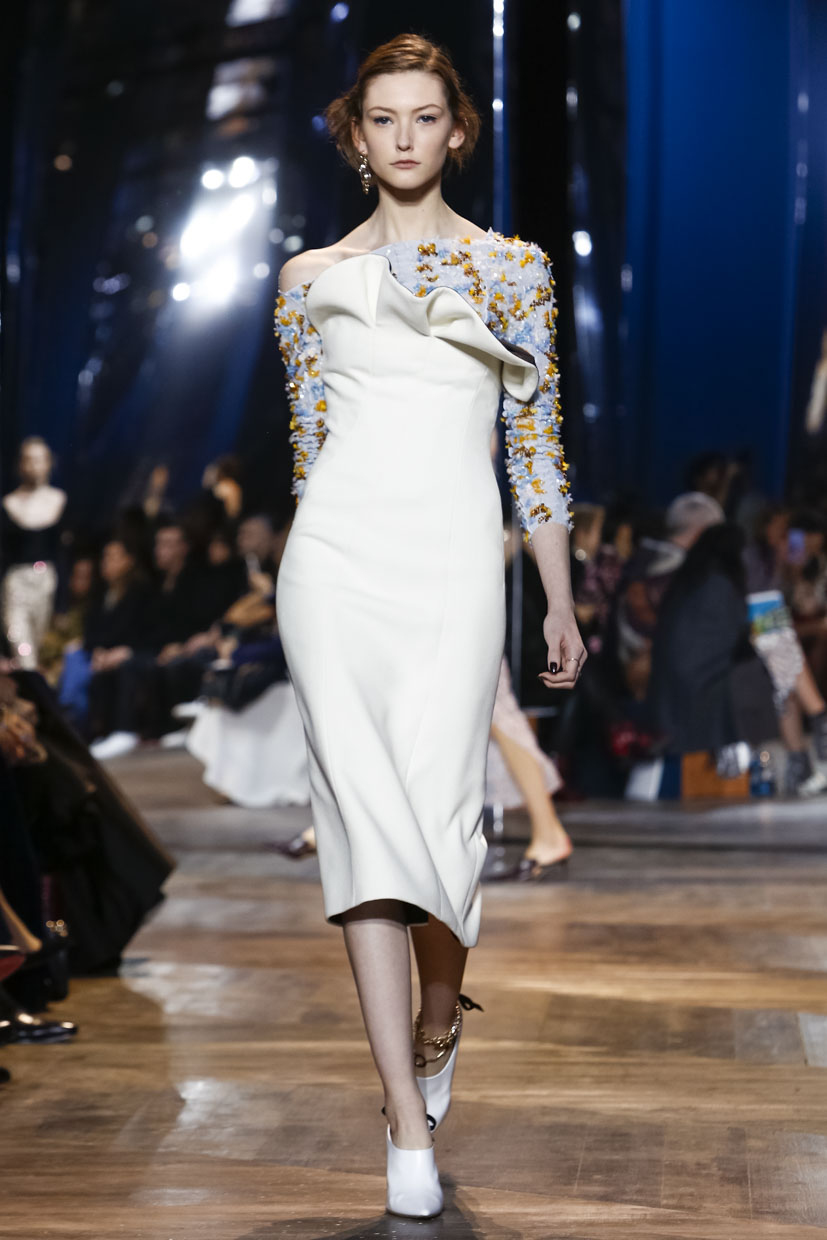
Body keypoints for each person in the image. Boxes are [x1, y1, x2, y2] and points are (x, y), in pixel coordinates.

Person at [273, 34, 584, 1220]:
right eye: (382, 119)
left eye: (423, 117)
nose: (403, 137)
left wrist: (556, 595)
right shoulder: (307, 278)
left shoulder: (511, 269)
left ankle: (439, 1015)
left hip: (454, 569)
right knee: (362, 828)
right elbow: (309, 447)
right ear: (356, 138)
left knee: (447, 830)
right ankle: (403, 1117)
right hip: (334, 568)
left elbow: (534, 449)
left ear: (456, 131)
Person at [1, 438, 67, 669]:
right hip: (16, 583)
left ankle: (32, 688)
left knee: (37, 648)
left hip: (46, 581)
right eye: (28, 459)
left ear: (49, 463)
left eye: (39, 459)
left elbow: (63, 554)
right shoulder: (9, 504)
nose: (33, 466)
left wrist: (62, 604)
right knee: (23, 649)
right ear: (20, 465)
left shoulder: (58, 501)